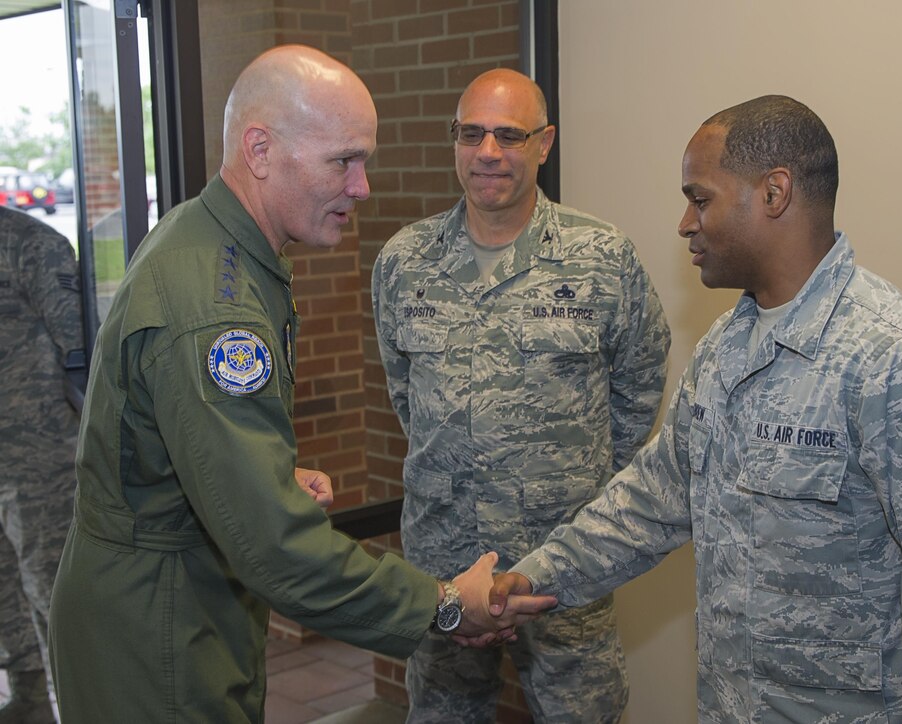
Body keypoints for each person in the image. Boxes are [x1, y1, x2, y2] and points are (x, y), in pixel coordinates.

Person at [47, 45, 552, 724]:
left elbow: (175, 448)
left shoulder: (216, 248)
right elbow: (276, 549)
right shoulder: (215, 307)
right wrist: (444, 604)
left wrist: (264, 474)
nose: (362, 187)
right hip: (157, 631)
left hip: (183, 604)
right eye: (343, 160)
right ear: (260, 150)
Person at [491, 95, 902, 722]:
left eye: (700, 199)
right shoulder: (725, 349)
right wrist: (529, 579)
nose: (685, 224)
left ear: (774, 194)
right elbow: (651, 499)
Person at [373, 68, 670, 722]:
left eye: (509, 135)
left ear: (545, 143)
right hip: (442, 559)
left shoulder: (602, 257)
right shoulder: (404, 262)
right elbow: (407, 396)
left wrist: (588, 489)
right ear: (454, 141)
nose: (488, 152)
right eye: (471, 133)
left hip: (565, 556)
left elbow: (641, 382)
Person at [0, 205, 83, 724]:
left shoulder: (31, 244)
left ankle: (81, 707)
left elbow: (82, 351)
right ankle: (29, 702)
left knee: (53, 597)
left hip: (41, 465)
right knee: (5, 589)